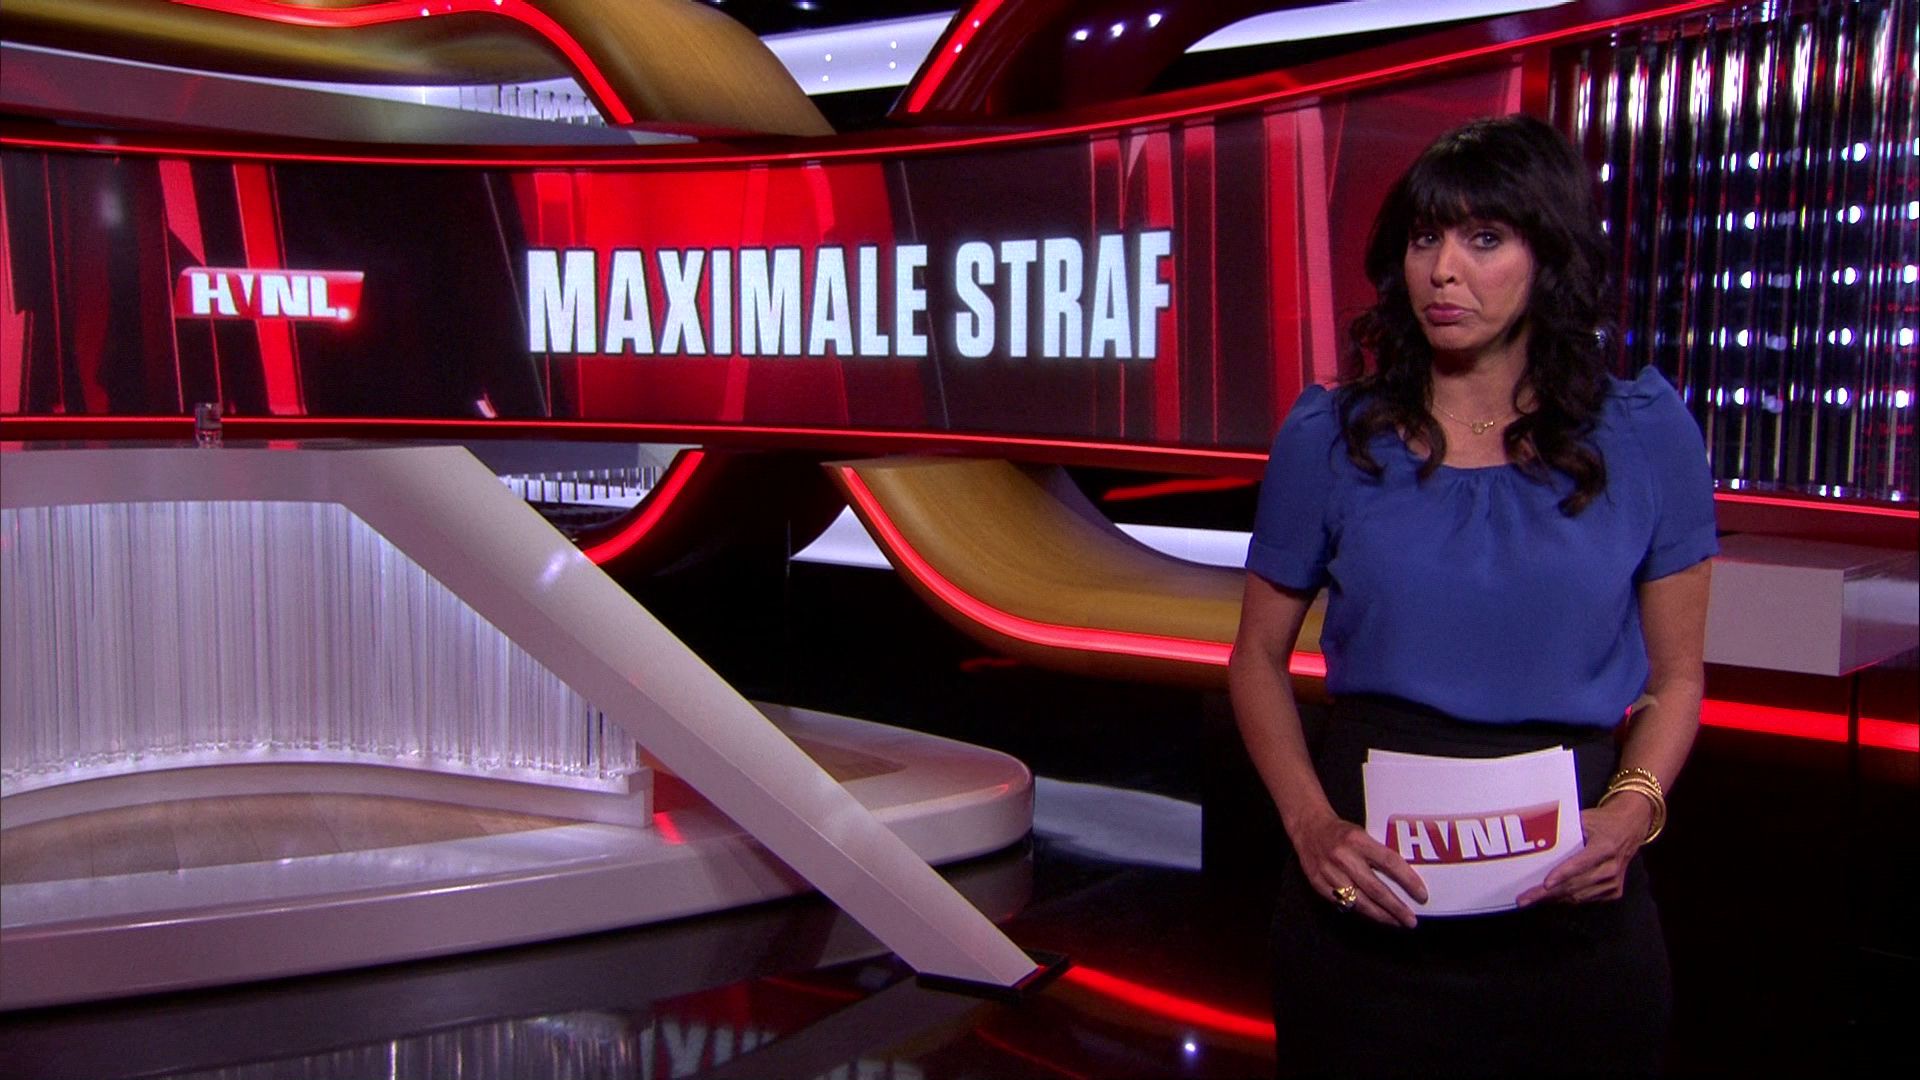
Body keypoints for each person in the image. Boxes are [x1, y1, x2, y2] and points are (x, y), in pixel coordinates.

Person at [1229, 114, 1716, 1078]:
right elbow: (1255, 662)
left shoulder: (1647, 432)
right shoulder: (1330, 436)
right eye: (1425, 238)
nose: (1444, 271)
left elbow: (1679, 678)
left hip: (1575, 922)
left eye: (1484, 238)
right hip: (1367, 915)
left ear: (1548, 257)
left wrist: (1633, 812)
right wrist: (1310, 824)